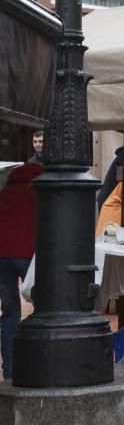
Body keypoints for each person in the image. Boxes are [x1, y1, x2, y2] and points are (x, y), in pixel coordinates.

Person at [0, 160, 43, 380]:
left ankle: (9, 370)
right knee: (42, 308)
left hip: (2, 257)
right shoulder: (38, 191)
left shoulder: (4, 191)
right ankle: (37, 365)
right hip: (28, 255)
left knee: (10, 313)